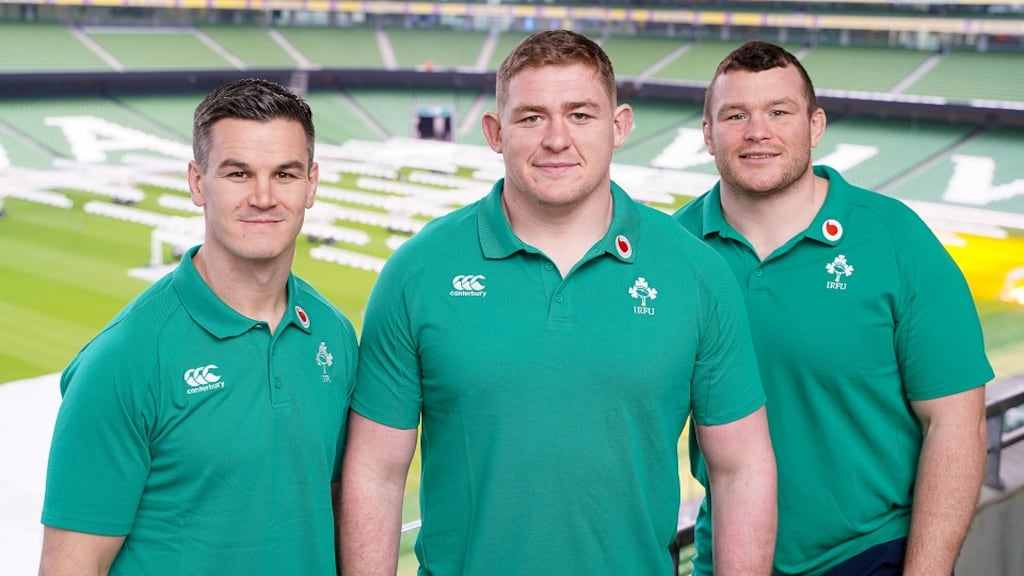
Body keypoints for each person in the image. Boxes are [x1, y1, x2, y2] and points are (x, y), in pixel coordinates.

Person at [339, 29, 777, 575]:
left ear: (620, 126)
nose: (556, 139)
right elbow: (376, 475)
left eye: (580, 114)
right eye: (531, 117)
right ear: (495, 132)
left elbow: (742, 469)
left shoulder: (698, 274)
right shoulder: (416, 272)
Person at [675, 40, 993, 576]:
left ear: (815, 125)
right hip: (726, 558)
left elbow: (956, 422)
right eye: (735, 115)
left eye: (779, 112)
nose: (757, 131)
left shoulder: (896, 239)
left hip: (870, 555)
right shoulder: (672, 252)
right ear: (708, 134)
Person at [38, 78, 358, 576]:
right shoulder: (122, 360)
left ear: (311, 184)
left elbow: (335, 510)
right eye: (237, 173)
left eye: (285, 174)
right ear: (196, 182)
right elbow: (71, 567)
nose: (263, 197)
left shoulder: (333, 335)